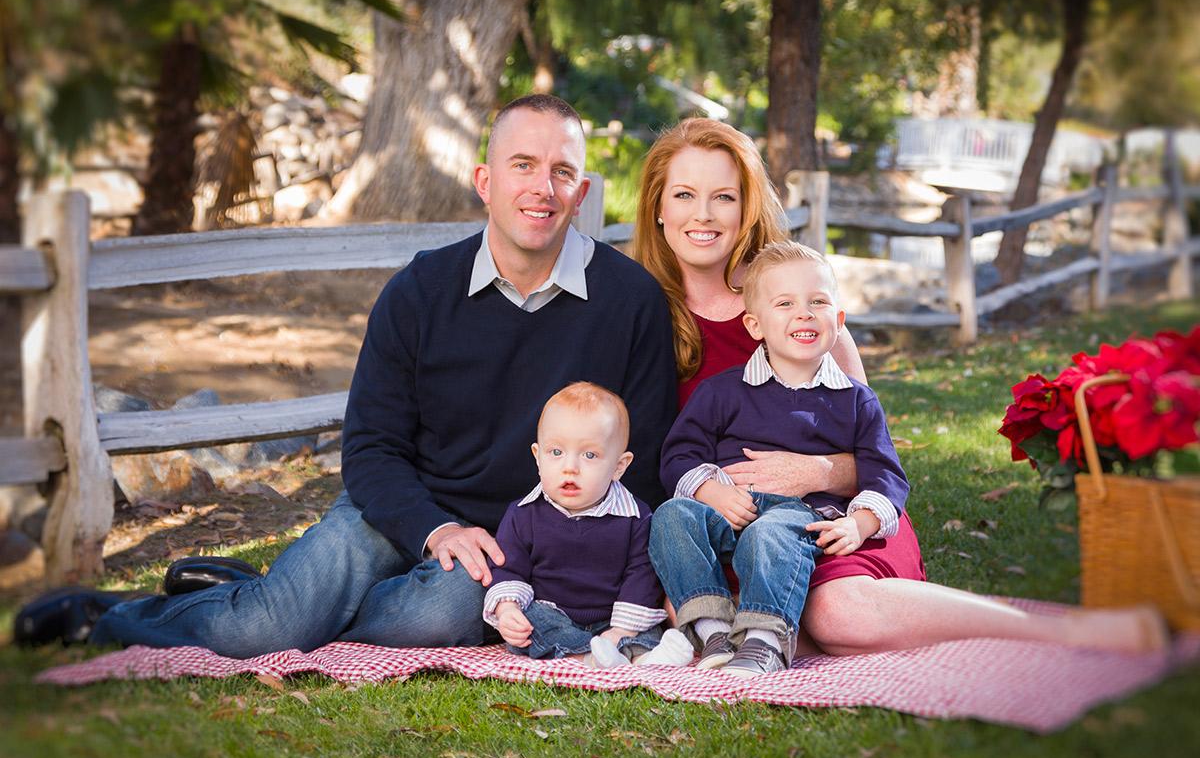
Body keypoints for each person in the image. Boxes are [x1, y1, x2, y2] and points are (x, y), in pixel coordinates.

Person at [16, 94, 678, 658]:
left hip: (515, 543)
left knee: (438, 618)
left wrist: (574, 560)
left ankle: (276, 600)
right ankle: (107, 614)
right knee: (269, 626)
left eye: (563, 171)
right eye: (523, 166)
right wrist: (432, 527)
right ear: (484, 180)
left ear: (582, 191)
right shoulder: (419, 291)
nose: (543, 188)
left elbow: (638, 464)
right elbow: (370, 447)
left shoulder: (629, 301)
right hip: (398, 507)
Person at [633, 117, 1168, 658]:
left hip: (829, 514)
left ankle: (1059, 634)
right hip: (725, 521)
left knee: (838, 615)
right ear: (658, 206)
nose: (702, 214)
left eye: (723, 196)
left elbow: (867, 445)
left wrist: (815, 472)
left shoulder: (795, 306)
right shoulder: (638, 313)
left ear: (746, 207)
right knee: (690, 605)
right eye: (684, 194)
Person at [653, 242, 910, 676]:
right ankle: (712, 630)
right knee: (672, 515)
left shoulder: (854, 400)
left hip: (801, 520)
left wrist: (859, 522)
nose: (804, 313)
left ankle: (764, 641)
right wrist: (713, 492)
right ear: (754, 324)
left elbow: (884, 473)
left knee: (770, 531)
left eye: (818, 302)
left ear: (839, 320)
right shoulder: (722, 391)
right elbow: (679, 453)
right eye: (785, 303)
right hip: (730, 512)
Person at [484, 382, 692, 668]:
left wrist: (620, 629)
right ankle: (588, 657)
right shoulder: (523, 514)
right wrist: (507, 609)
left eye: (589, 455)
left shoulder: (635, 518)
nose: (570, 467)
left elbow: (641, 575)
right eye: (556, 452)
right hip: (555, 612)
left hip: (613, 615)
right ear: (537, 457)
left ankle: (645, 656)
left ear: (619, 466)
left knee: (646, 624)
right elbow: (509, 568)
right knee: (534, 622)